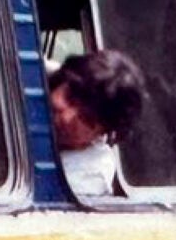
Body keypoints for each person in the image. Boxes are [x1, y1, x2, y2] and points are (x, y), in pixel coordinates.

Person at [48, 49, 147, 199]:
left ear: (100, 135)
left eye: (86, 119)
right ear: (60, 81)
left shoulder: (90, 173)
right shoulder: (30, 77)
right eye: (70, 98)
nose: (67, 117)